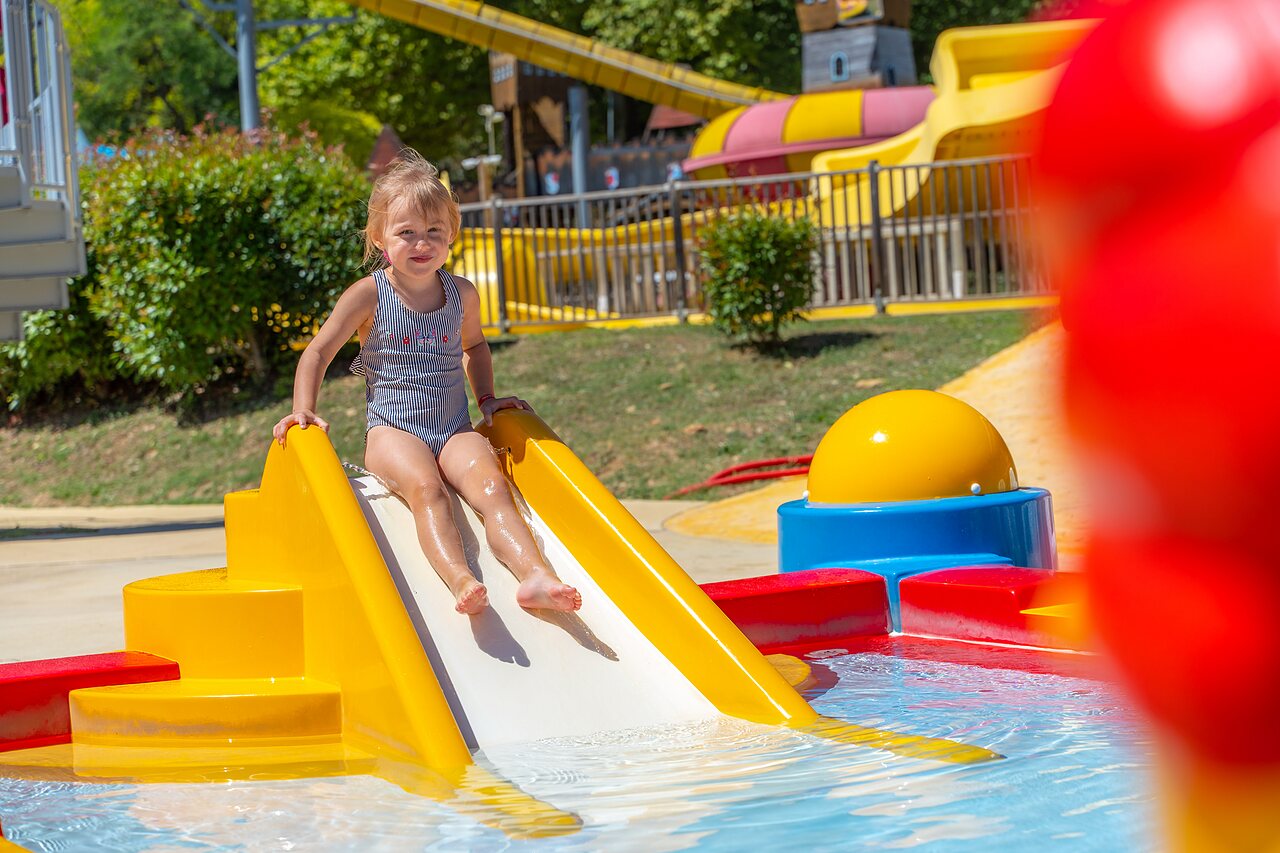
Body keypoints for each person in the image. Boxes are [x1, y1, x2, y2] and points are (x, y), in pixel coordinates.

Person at [272, 150, 581, 616]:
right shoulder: (369, 294)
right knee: (427, 489)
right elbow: (318, 351)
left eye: (434, 231)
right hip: (392, 432)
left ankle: (535, 575)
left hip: (453, 426)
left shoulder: (462, 294)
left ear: (451, 235)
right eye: (407, 232)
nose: (422, 243)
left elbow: (474, 347)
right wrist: (304, 407)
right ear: (380, 237)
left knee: (494, 487)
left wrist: (487, 400)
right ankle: (460, 579)